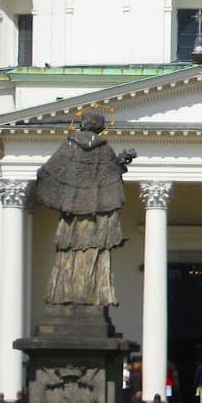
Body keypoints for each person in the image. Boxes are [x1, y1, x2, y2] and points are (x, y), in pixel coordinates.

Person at [34, 110, 136, 309]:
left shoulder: (70, 145)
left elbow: (48, 171)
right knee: (93, 252)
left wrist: (58, 194)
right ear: (100, 127)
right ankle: (91, 294)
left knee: (68, 253)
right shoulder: (103, 149)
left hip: (71, 216)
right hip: (95, 216)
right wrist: (122, 161)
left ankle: (63, 293)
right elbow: (109, 177)